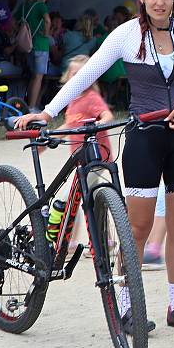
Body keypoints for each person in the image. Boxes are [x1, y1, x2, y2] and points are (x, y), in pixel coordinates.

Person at [16, 0, 174, 331]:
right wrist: (48, 111)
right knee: (135, 229)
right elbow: (86, 75)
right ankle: (126, 305)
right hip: (143, 137)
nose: (159, 2)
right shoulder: (124, 35)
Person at [44, 55, 114, 255]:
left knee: (69, 200)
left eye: (82, 74)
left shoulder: (91, 97)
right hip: (80, 161)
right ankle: (74, 241)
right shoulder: (72, 101)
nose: (77, 78)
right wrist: (52, 136)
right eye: (74, 74)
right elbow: (70, 124)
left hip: (96, 159)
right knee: (84, 199)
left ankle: (59, 243)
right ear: (67, 77)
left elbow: (106, 114)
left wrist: (100, 123)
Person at [14, 0, 51, 110]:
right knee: (38, 77)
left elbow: (13, 21)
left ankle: (27, 104)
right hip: (41, 44)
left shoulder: (24, 6)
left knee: (32, 76)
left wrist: (18, 31)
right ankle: (32, 106)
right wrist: (46, 34)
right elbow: (47, 21)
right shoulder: (41, 5)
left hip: (28, 46)